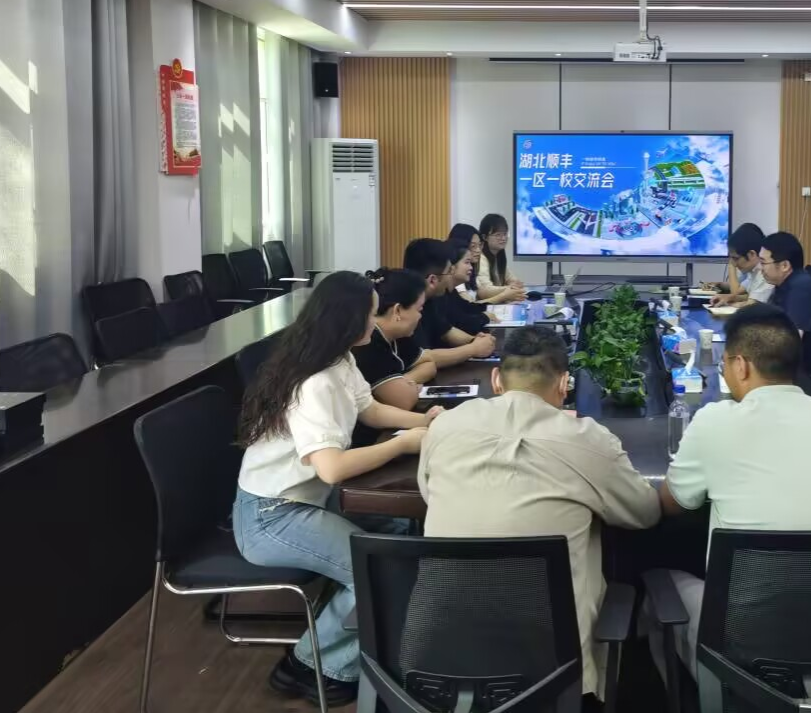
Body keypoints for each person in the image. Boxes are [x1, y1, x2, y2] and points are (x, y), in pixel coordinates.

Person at [232, 270, 442, 708]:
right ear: (348, 319)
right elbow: (331, 469)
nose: (375, 322)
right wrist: (403, 444)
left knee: (401, 532)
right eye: (370, 314)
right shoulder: (315, 382)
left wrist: (425, 422)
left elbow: (370, 409)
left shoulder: (338, 358)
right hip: (271, 516)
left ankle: (380, 637)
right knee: (378, 569)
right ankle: (308, 665)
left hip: (306, 500)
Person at [417, 326, 661, 704]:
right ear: (564, 383)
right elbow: (644, 513)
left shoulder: (444, 426)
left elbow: (428, 493)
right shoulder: (588, 440)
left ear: (496, 379)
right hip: (553, 665)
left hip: (439, 648)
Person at [652, 304, 811, 683]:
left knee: (656, 588)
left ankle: (712, 696)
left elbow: (672, 503)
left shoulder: (714, 421)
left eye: (725, 363)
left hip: (746, 636)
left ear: (741, 365)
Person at [759, 231, 811, 373]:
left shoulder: (801, 289)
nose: (760, 268)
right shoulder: (785, 283)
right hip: (798, 363)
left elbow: (790, 341)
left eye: (763, 263)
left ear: (785, 265)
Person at [353, 268, 439, 410]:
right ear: (397, 310)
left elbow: (429, 364)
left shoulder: (397, 334)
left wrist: (404, 381)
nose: (420, 316)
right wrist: (404, 387)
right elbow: (404, 400)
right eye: (419, 309)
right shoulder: (368, 342)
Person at [403, 238, 496, 367]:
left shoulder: (431, 298)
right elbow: (423, 358)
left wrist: (476, 340)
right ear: (432, 280)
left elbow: (446, 331)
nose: (450, 277)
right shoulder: (405, 305)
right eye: (448, 272)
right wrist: (473, 349)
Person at [708, 223, 772, 306]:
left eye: (735, 258)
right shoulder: (753, 271)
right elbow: (750, 296)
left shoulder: (765, 272)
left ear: (751, 254)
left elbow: (752, 304)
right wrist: (729, 298)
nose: (734, 264)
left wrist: (732, 304)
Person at [440, 239, 495, 335]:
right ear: (451, 266)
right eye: (467, 262)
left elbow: (468, 307)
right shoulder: (440, 295)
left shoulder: (452, 292)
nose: (471, 267)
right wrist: (485, 317)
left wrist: (493, 308)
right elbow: (461, 322)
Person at [476, 213, 527, 303]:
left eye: (505, 234)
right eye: (498, 235)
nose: (503, 238)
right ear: (484, 237)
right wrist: (509, 289)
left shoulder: (499, 256)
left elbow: (513, 280)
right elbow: (485, 291)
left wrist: (513, 286)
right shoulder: (481, 258)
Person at [447, 222, 483, 300]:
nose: (478, 250)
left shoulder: (471, 270)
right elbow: (469, 304)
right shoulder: (456, 275)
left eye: (479, 245)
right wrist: (504, 295)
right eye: (473, 246)